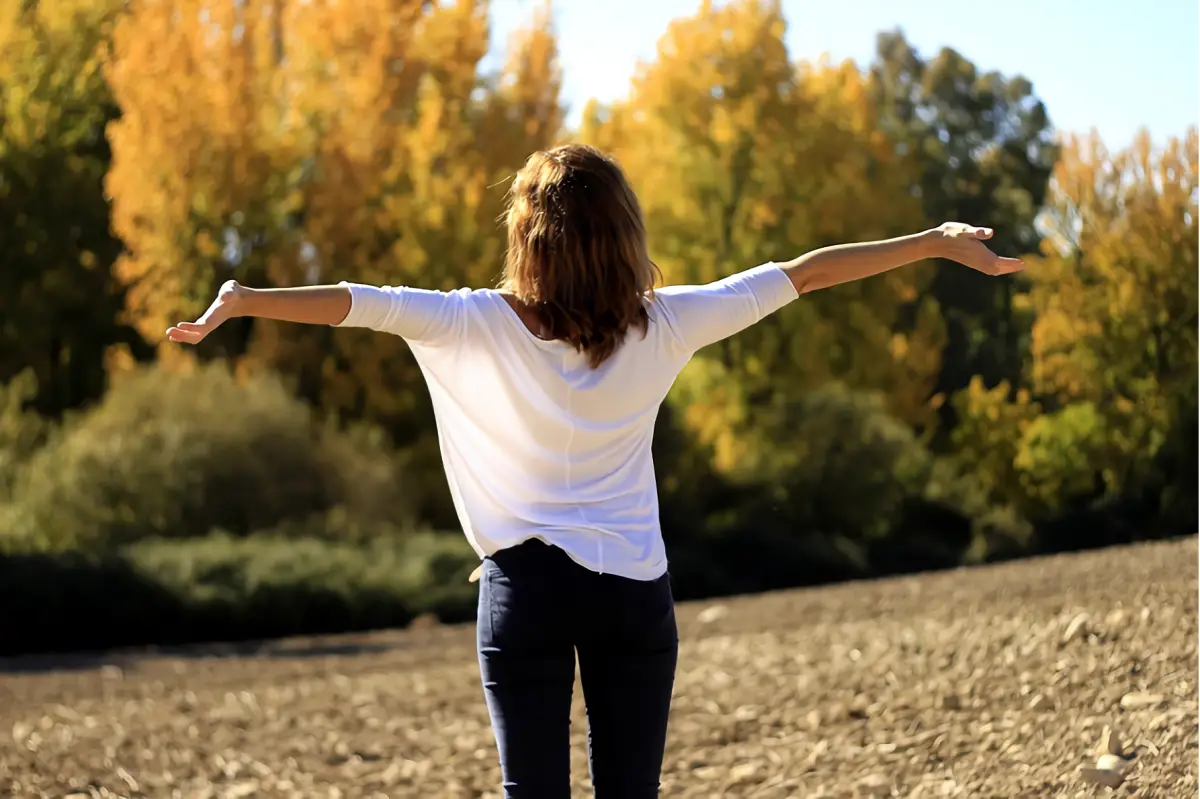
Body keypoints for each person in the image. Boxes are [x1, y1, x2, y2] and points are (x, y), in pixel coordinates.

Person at [166, 143, 1024, 798]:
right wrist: (934, 243)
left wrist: (243, 301)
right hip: (633, 594)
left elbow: (355, 302)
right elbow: (806, 274)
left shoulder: (469, 323)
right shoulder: (669, 323)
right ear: (624, 238)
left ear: (525, 238)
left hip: (524, 593)